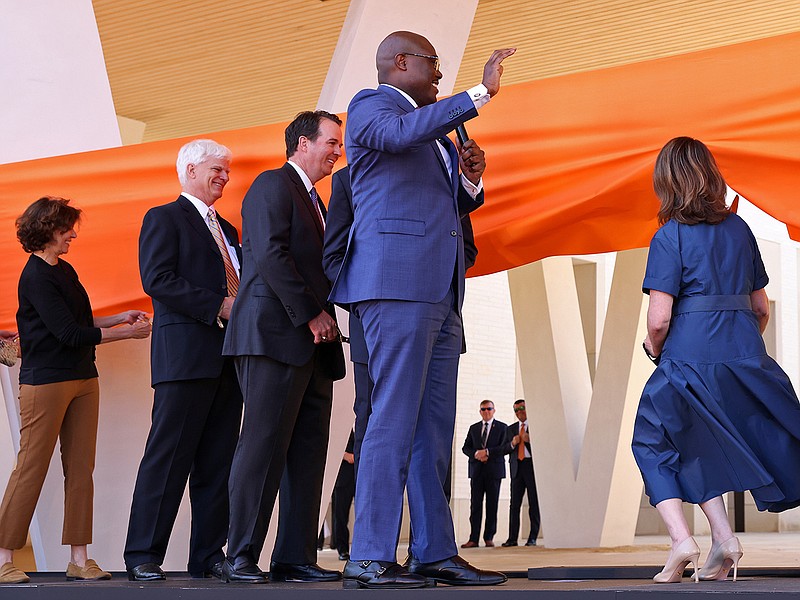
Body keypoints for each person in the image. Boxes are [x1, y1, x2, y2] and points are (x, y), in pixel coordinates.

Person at [329, 30, 514, 589]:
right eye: (434, 63)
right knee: (388, 421)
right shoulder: (372, 106)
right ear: (400, 62)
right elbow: (400, 135)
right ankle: (369, 554)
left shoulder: (433, 134)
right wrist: (478, 94)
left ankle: (433, 550)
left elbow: (440, 200)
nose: (440, 72)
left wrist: (470, 178)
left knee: (432, 428)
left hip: (440, 290)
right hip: (396, 284)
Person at [632, 137, 800, 584]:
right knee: (697, 444)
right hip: (744, 356)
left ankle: (681, 541)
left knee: (650, 440)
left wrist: (655, 350)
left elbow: (660, 319)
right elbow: (761, 308)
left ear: (666, 182)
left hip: (687, 357)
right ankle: (724, 540)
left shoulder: (668, 237)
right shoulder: (740, 231)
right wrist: (738, 347)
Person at [222, 110, 346, 584]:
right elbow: (271, 255)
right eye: (331, 142)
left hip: (313, 345)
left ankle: (295, 556)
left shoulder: (318, 199)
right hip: (274, 336)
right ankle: (241, 555)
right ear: (301, 144)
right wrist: (312, 314)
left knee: (308, 452)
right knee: (263, 446)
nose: (338, 151)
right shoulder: (272, 184)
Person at [0, 197, 151, 585]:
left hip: (84, 379)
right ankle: (3, 557)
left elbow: (79, 320)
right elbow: (68, 334)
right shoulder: (34, 276)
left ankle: (79, 559)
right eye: (67, 227)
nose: (73, 234)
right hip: (45, 383)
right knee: (30, 469)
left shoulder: (64, 269)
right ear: (48, 229)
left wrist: (118, 316)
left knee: (81, 470)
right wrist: (125, 333)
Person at [124, 139, 244, 582]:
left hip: (229, 360)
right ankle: (142, 555)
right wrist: (220, 305)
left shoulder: (229, 230)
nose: (225, 177)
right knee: (168, 458)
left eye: (227, 171)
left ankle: (209, 555)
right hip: (185, 359)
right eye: (217, 169)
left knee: (218, 463)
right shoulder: (164, 217)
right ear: (190, 170)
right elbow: (157, 279)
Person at [461, 400, 507, 548]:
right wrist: (476, 454)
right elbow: (465, 447)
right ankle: (473, 538)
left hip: (494, 471)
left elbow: (504, 447)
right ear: (480, 411)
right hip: (477, 472)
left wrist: (487, 453)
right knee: (475, 505)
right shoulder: (474, 428)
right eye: (483, 409)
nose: (486, 411)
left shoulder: (502, 427)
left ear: (494, 410)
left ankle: (489, 537)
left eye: (489, 409)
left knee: (492, 505)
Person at [502, 399, 540, 547]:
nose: (519, 412)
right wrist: (513, 443)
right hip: (517, 468)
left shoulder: (535, 426)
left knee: (533, 503)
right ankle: (512, 539)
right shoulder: (511, 429)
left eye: (522, 408)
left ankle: (532, 537)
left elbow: (545, 446)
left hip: (531, 467)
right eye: (516, 410)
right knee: (514, 505)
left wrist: (530, 440)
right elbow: (504, 449)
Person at [331, 430, 356, 561]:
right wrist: (344, 455)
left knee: (363, 515)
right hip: (343, 479)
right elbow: (333, 448)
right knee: (340, 516)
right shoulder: (341, 429)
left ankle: (360, 549)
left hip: (360, 477)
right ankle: (342, 549)